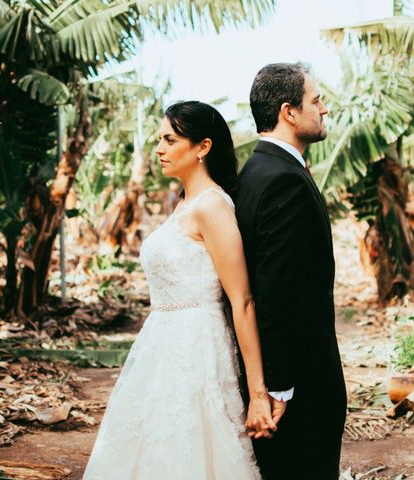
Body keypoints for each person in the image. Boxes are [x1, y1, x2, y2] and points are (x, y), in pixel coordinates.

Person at [83, 101, 274, 479]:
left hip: (197, 350)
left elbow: (243, 301)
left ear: (203, 147)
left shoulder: (213, 206)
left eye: (170, 140)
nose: (159, 149)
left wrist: (258, 394)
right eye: (159, 140)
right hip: (161, 350)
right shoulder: (183, 204)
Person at [234, 62, 348, 480]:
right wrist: (278, 387)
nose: (324, 109)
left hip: (283, 376)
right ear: (289, 112)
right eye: (315, 101)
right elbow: (277, 290)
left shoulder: (255, 172)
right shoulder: (284, 180)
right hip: (299, 385)